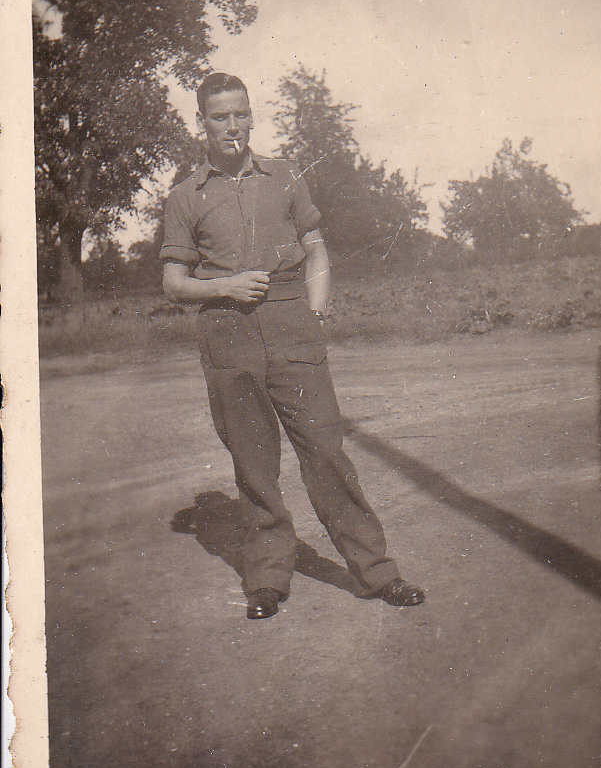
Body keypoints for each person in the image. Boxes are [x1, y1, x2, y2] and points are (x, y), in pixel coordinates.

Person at [160, 72, 425, 619]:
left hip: (291, 324)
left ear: (251, 115)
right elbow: (173, 283)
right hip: (226, 331)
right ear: (201, 123)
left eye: (240, 113)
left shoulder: (283, 176)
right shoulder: (186, 196)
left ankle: (376, 574)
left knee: (326, 453)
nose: (232, 126)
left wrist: (315, 311)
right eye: (219, 116)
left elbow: (317, 250)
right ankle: (266, 580)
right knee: (254, 466)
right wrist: (225, 287)